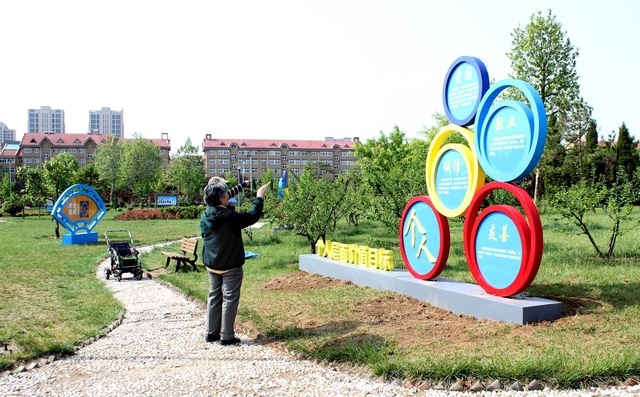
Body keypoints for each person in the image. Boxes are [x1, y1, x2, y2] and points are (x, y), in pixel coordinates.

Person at [200, 179, 270, 345]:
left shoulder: (206, 215)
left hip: (212, 264)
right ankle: (227, 336)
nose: (227, 194)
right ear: (221, 199)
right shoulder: (230, 217)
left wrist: (243, 185)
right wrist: (259, 197)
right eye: (225, 193)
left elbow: (223, 197)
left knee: (214, 297)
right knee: (230, 299)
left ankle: (211, 333)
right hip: (230, 265)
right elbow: (252, 216)